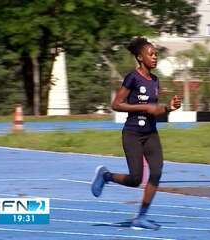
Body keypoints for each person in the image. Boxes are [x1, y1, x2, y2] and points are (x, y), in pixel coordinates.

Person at [91, 37, 181, 230]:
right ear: (140, 58)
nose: (155, 57)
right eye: (151, 54)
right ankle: (105, 176)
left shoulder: (156, 81)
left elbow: (155, 110)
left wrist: (169, 108)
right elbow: (116, 104)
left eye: (156, 54)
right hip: (132, 133)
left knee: (156, 173)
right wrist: (143, 107)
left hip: (151, 134)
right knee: (135, 180)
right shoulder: (132, 77)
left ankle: (141, 217)